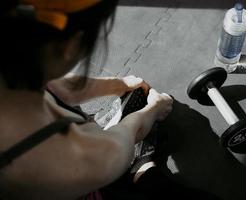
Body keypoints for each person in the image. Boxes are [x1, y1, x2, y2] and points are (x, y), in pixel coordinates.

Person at [0, 1, 220, 199]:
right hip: (91, 174)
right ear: (69, 47)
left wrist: (120, 84)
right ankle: (141, 170)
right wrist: (155, 107)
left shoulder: (14, 61)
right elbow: (124, 138)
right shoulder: (77, 157)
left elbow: (57, 87)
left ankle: (141, 170)